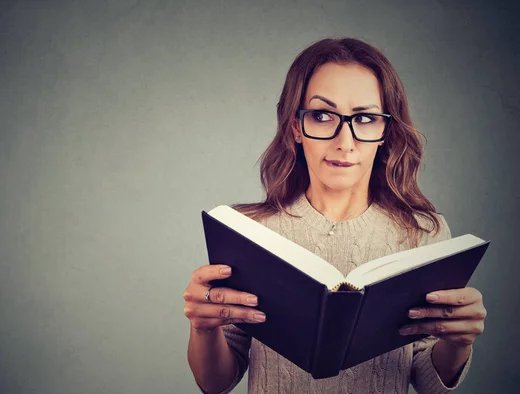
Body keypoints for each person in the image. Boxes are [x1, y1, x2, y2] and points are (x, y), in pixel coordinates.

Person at [183, 37, 487, 394]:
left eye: (365, 118)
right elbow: (214, 382)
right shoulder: (251, 232)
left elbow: (428, 383)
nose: (345, 142)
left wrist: (458, 342)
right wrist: (203, 328)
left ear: (385, 130)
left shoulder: (424, 234)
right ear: (296, 127)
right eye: (323, 115)